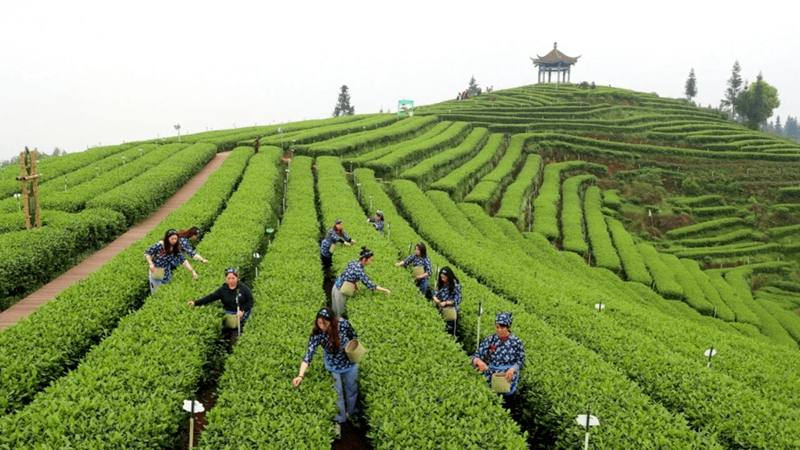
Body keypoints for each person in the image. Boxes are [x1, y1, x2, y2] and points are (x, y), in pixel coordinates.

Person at [293, 307, 359, 439]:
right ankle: (339, 420)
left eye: (325, 323)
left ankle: (352, 414)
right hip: (333, 365)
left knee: (352, 389)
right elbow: (309, 354)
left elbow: (353, 335)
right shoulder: (317, 333)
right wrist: (300, 375)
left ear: (332, 321)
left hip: (349, 363)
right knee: (337, 393)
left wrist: (352, 348)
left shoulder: (342, 323)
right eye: (319, 323)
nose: (322, 326)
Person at [471, 312, 525, 402]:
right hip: (492, 377)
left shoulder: (516, 341)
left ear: (508, 327)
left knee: (507, 404)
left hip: (508, 379)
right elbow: (476, 355)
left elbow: (521, 360)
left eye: (502, 327)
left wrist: (513, 369)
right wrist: (478, 362)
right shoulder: (491, 339)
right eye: (497, 327)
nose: (499, 330)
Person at [187, 267, 254, 337]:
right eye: (229, 278)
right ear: (226, 279)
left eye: (233, 278)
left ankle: (236, 340)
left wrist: (242, 310)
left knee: (241, 329)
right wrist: (195, 303)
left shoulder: (243, 288)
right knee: (230, 329)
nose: (231, 280)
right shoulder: (223, 290)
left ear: (237, 278)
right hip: (229, 313)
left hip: (242, 312)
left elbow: (250, 301)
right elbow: (211, 297)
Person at [331, 246, 391, 317]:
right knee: (340, 315)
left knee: (333, 312)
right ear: (364, 259)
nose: (371, 262)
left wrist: (355, 285)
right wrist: (385, 290)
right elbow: (370, 285)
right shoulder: (360, 271)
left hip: (335, 287)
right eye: (370, 260)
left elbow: (347, 275)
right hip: (340, 292)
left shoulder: (353, 262)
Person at [144, 228, 198, 293]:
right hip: (156, 270)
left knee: (166, 291)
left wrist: (192, 271)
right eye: (172, 239)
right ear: (167, 238)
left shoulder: (176, 248)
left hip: (167, 271)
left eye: (176, 239)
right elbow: (147, 253)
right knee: (156, 292)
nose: (174, 241)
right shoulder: (159, 245)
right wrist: (151, 264)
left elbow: (183, 261)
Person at [433, 266, 461, 333]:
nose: (442, 279)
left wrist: (446, 303)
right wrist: (437, 300)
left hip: (451, 309)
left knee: (449, 328)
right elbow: (435, 294)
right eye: (441, 277)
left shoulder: (455, 285)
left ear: (449, 277)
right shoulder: (441, 283)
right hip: (441, 307)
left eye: (444, 277)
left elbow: (458, 299)